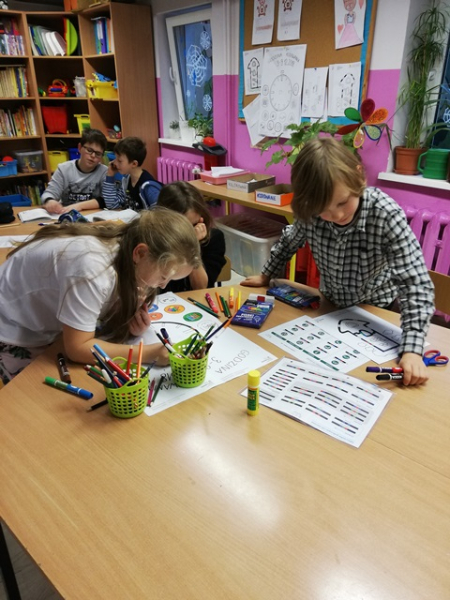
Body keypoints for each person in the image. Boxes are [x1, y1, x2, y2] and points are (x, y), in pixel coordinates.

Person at [241, 137, 435, 386]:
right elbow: (289, 240)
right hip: (330, 307)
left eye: (343, 202)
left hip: (378, 309)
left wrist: (412, 350)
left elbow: (415, 284)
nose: (337, 215)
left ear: (359, 176)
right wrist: (266, 275)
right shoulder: (311, 211)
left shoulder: (386, 214)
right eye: (324, 210)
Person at [0, 208, 201, 384]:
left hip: (51, 326)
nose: (164, 285)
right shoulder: (92, 268)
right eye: (164, 276)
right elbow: (77, 348)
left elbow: (97, 306)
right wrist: (148, 353)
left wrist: (124, 320)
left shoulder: (128, 251)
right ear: (140, 253)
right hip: (13, 327)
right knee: (36, 401)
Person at [157, 180, 226, 291]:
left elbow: (200, 287)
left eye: (193, 224)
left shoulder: (214, 238)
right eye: (182, 226)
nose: (188, 232)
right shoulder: (153, 238)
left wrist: (192, 246)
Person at [41, 128, 108, 214]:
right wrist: (50, 201)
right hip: (66, 215)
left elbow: (106, 199)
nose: (93, 156)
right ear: (79, 148)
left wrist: (79, 206)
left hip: (92, 215)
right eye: (89, 150)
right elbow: (48, 194)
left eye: (98, 154)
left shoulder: (104, 172)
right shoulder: (63, 169)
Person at [103, 137, 162, 211]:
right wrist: (110, 175)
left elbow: (160, 214)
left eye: (119, 161)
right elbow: (112, 205)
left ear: (134, 164)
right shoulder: (126, 180)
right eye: (115, 159)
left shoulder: (149, 188)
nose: (114, 163)